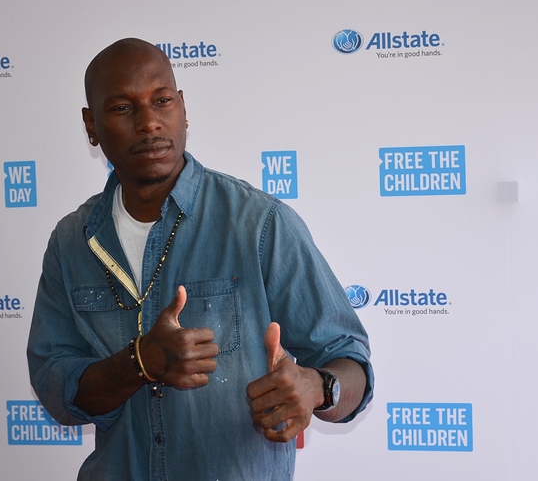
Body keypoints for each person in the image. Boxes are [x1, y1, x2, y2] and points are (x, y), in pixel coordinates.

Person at [27, 37, 374, 480]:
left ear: (183, 108)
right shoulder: (72, 241)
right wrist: (138, 363)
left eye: (162, 100)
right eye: (121, 108)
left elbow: (351, 365)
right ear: (90, 125)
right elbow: (57, 389)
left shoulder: (260, 224)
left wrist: (317, 387)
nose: (150, 122)